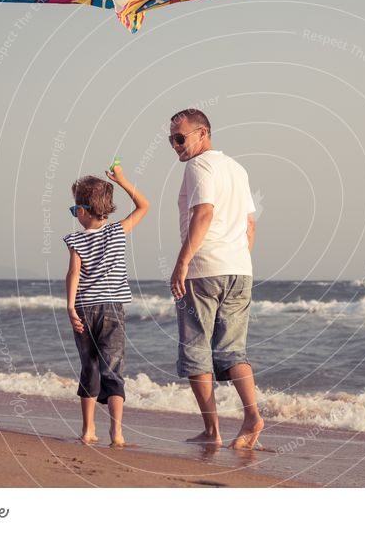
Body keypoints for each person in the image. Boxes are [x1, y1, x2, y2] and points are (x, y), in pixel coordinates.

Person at [169, 108, 264, 449]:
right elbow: (251, 223)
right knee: (232, 351)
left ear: (202, 133)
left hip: (204, 269)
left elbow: (204, 212)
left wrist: (182, 263)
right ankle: (252, 416)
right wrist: (238, 257)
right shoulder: (237, 169)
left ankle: (212, 431)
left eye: (181, 138)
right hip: (239, 269)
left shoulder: (198, 165)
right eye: (171, 140)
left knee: (195, 350)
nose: (176, 145)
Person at [63, 166, 149, 446]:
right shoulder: (116, 232)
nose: (75, 215)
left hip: (85, 309)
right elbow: (144, 205)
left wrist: (70, 308)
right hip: (112, 309)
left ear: (85, 211)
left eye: (75, 209)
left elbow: (73, 274)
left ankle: (88, 430)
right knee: (113, 369)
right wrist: (122, 179)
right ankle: (117, 433)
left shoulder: (75, 239)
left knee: (88, 367)